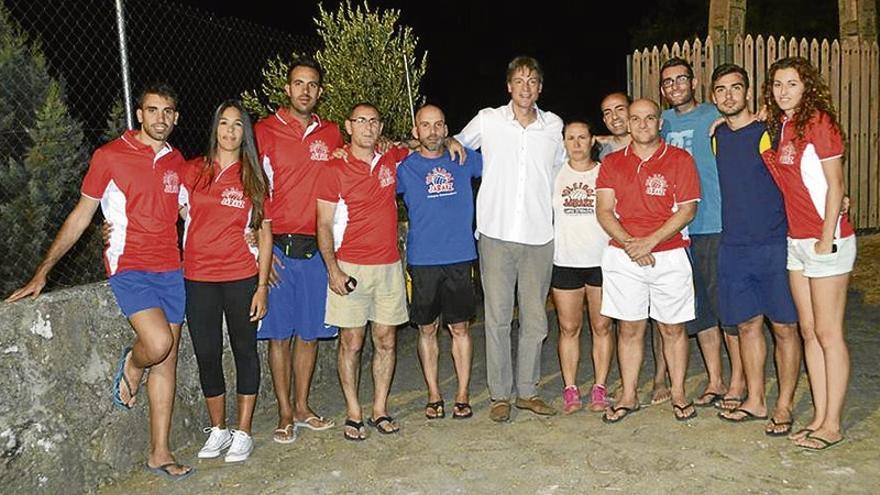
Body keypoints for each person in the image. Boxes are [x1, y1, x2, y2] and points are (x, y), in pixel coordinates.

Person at [6, 84, 193, 479]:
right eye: (153, 110)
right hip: (130, 265)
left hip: (170, 268)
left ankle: (159, 452)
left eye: (168, 111)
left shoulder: (178, 162)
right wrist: (43, 271)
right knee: (157, 345)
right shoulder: (109, 156)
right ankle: (132, 361)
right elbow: (80, 215)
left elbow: (194, 209)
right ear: (139, 115)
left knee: (169, 358)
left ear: (176, 118)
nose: (161, 118)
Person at [453, 56, 564, 422]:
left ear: (540, 88)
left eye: (532, 81)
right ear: (508, 86)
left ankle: (528, 392)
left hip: (538, 235)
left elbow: (565, 169)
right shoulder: (488, 120)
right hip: (496, 234)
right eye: (519, 80)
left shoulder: (553, 126)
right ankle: (500, 395)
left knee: (535, 319)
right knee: (497, 317)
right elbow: (453, 144)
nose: (525, 87)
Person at [761, 56, 857, 450]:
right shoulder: (781, 127)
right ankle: (818, 416)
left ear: (808, 87)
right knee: (808, 331)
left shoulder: (820, 122)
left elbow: (836, 185)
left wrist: (824, 236)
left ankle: (832, 423)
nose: (784, 91)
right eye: (778, 84)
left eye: (792, 84)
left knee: (829, 332)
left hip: (825, 239)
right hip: (795, 242)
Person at [708, 64, 802, 436]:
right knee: (747, 325)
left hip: (774, 244)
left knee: (784, 327)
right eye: (721, 90)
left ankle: (784, 405)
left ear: (748, 93)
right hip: (735, 246)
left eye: (735, 88)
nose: (728, 95)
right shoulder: (717, 137)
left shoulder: (770, 132)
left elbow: (801, 170)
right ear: (713, 96)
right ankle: (757, 399)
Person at [253, 57, 342, 443]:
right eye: (298, 83)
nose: (305, 90)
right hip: (278, 252)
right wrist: (259, 249)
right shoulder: (262, 131)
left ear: (319, 91)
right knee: (279, 337)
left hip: (318, 252)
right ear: (287, 89)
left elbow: (366, 156)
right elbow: (249, 190)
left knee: (309, 335)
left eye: (312, 84)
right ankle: (285, 412)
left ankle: (303, 407)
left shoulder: (334, 134)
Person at [178, 100, 273, 462]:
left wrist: (262, 286)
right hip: (198, 277)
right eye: (224, 123)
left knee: (244, 351)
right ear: (214, 128)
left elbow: (264, 232)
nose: (230, 131)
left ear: (244, 132)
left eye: (237, 124)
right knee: (207, 354)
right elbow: (168, 204)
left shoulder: (254, 176)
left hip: (241, 277)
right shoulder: (194, 170)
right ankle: (218, 429)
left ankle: (244, 431)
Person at [596, 98, 700, 423]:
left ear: (659, 123)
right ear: (627, 123)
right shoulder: (612, 163)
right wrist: (631, 244)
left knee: (673, 328)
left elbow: (688, 209)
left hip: (668, 255)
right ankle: (629, 395)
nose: (642, 124)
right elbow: (603, 210)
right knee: (629, 328)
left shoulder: (680, 159)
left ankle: (679, 393)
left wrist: (650, 243)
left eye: (649, 118)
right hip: (624, 255)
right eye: (635, 119)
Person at [316, 103, 411, 441]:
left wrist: (449, 142)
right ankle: (354, 411)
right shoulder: (333, 168)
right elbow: (323, 223)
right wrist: (332, 269)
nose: (368, 127)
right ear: (348, 126)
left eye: (374, 121)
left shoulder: (390, 159)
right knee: (351, 342)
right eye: (361, 121)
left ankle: (380, 409)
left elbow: (420, 142)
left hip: (388, 266)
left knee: (386, 339)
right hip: (350, 264)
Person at [659, 57, 744, 410]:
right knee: (700, 312)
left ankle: (740, 381)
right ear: (662, 90)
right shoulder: (660, 123)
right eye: (668, 82)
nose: (675, 86)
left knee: (727, 309)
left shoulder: (714, 114)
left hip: (713, 224)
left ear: (693, 83)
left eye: (681, 79)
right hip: (677, 234)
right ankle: (716, 380)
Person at [397, 104, 482, 420]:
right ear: (415, 131)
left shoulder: (464, 159)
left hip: (460, 256)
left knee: (459, 328)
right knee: (427, 328)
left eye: (439, 125)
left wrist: (456, 144)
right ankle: (434, 393)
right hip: (423, 260)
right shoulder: (404, 168)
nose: (432, 131)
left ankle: (462, 393)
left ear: (447, 130)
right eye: (425, 125)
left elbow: (503, 166)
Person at [600, 91, 671, 406]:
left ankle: (660, 378)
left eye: (620, 110)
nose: (614, 117)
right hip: (619, 245)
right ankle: (627, 384)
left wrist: (646, 244)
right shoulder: (600, 149)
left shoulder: (655, 143)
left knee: (662, 318)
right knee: (626, 318)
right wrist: (632, 245)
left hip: (659, 244)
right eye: (607, 113)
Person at [551, 120, 613, 414]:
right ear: (563, 142)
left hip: (601, 261)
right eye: (570, 138)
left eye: (582, 137)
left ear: (592, 140)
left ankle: (600, 387)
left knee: (601, 326)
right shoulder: (554, 174)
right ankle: (571, 388)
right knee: (569, 327)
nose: (576, 143)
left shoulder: (605, 172)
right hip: (565, 261)